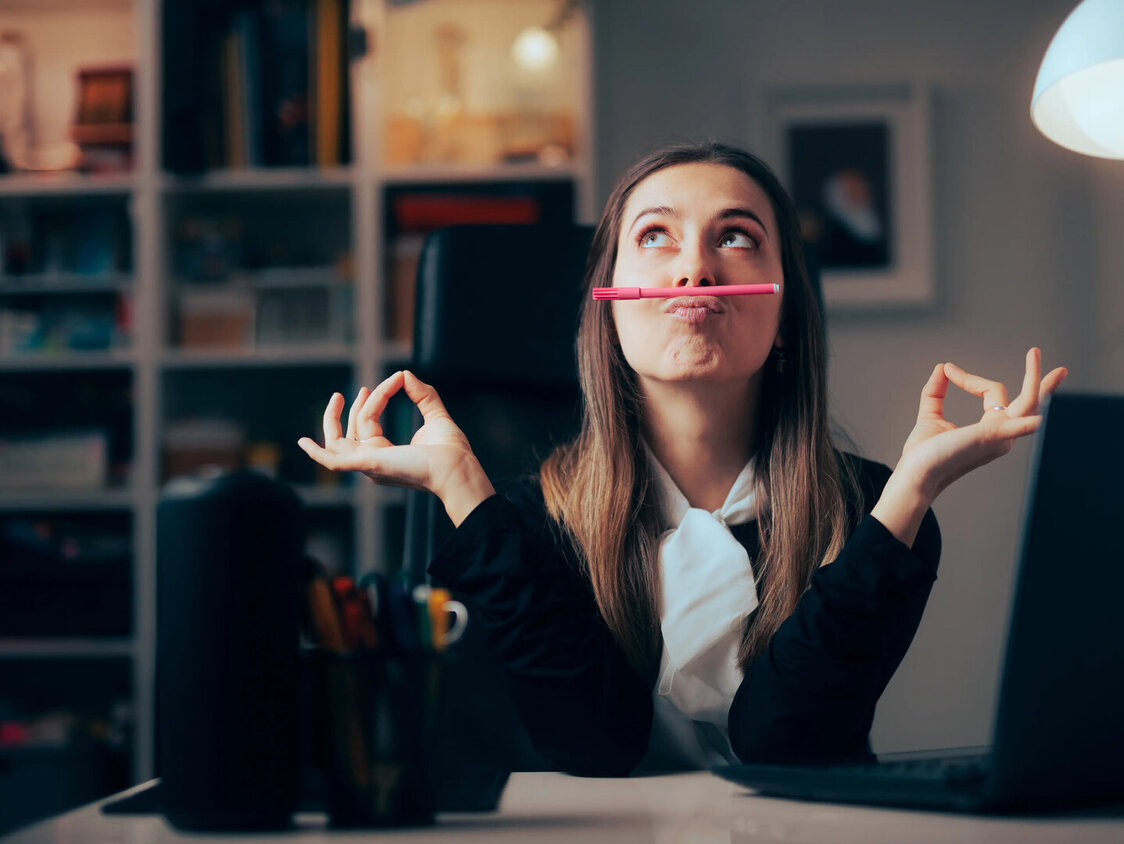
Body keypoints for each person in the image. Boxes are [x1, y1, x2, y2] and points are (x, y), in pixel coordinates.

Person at [298, 142, 1067, 776]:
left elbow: (782, 743)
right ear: (609, 305)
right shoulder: (526, 526)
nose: (694, 270)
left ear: (786, 311)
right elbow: (593, 744)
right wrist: (463, 487)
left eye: (735, 237)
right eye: (655, 237)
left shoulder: (881, 515)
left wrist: (911, 493)